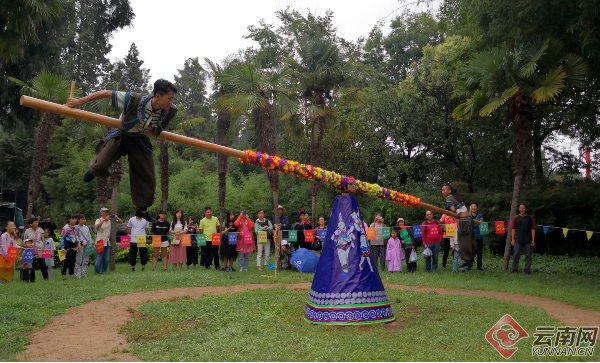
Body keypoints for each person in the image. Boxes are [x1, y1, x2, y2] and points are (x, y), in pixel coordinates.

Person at [66, 79, 179, 224]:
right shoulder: (134, 99)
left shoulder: (169, 109)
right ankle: (94, 168)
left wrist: (156, 127)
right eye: (169, 98)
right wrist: (79, 102)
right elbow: (106, 93)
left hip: (140, 139)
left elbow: (162, 122)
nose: (171, 102)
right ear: (158, 96)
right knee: (101, 164)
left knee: (148, 176)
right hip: (122, 134)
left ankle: (142, 209)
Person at [442, 184, 476, 269]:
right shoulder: (456, 197)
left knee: (463, 240)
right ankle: (470, 258)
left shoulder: (449, 198)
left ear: (449, 190)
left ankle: (467, 259)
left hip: (464, 220)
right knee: (471, 239)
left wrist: (448, 210)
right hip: (469, 219)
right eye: (442, 190)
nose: (442, 192)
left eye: (444, 190)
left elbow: (453, 210)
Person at [94, 208, 122, 274]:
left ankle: (104, 272)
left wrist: (117, 218)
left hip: (107, 242)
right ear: (102, 213)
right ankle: (97, 272)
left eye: (107, 212)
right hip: (100, 242)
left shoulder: (110, 221)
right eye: (105, 212)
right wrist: (103, 220)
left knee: (106, 259)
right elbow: (96, 227)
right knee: (98, 259)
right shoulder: (98, 220)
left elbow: (120, 222)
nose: (107, 213)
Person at [511, 204, 536, 274]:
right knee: (516, 254)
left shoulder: (530, 218)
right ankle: (514, 269)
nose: (522, 210)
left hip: (528, 240)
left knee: (528, 255)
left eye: (523, 208)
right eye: (520, 208)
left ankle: (527, 270)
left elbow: (533, 229)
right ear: (519, 209)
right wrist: (512, 239)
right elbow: (513, 229)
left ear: (526, 209)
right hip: (518, 240)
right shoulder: (516, 218)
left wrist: (533, 240)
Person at [23, 217, 48, 281]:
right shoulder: (27, 231)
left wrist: (43, 247)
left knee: (43, 264)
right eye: (35, 222)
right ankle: (32, 279)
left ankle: (46, 278)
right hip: (31, 250)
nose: (37, 223)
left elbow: (42, 240)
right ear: (31, 224)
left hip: (39, 249)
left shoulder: (40, 230)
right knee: (32, 265)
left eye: (37, 222)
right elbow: (25, 240)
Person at [199, 206, 220, 270]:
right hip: (206, 238)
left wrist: (214, 232)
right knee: (207, 253)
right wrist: (205, 235)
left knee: (216, 253)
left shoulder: (215, 219)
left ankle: (217, 266)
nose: (209, 213)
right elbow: (201, 230)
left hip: (215, 238)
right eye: (208, 212)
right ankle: (207, 265)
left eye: (210, 212)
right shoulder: (202, 221)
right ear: (205, 213)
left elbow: (217, 227)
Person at [60, 214, 79, 280]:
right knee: (66, 260)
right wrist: (62, 247)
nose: (74, 220)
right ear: (69, 219)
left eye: (75, 219)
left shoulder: (76, 227)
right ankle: (64, 275)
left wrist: (78, 243)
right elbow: (62, 238)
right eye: (72, 219)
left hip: (74, 244)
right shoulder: (65, 228)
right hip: (67, 244)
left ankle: (71, 274)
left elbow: (77, 236)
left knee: (73, 260)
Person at [471, 203, 485, 270]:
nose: (473, 208)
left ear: (477, 208)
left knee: (479, 252)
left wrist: (474, 224)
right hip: (470, 237)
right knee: (470, 251)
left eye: (475, 206)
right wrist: (477, 223)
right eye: (472, 206)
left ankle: (479, 266)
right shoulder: (468, 215)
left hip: (479, 236)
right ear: (470, 208)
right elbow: (467, 225)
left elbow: (482, 225)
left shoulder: (480, 216)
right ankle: (469, 265)